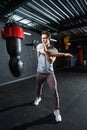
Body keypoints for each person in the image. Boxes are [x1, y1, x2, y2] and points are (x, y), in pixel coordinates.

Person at [34, 30, 73, 122]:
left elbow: (50, 60)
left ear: (49, 39)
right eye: (42, 38)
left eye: (45, 39)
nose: (43, 40)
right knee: (38, 87)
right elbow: (45, 52)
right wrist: (64, 54)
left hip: (49, 73)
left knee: (54, 91)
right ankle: (38, 97)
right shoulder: (39, 46)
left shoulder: (54, 49)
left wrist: (48, 51)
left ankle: (56, 111)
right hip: (39, 72)